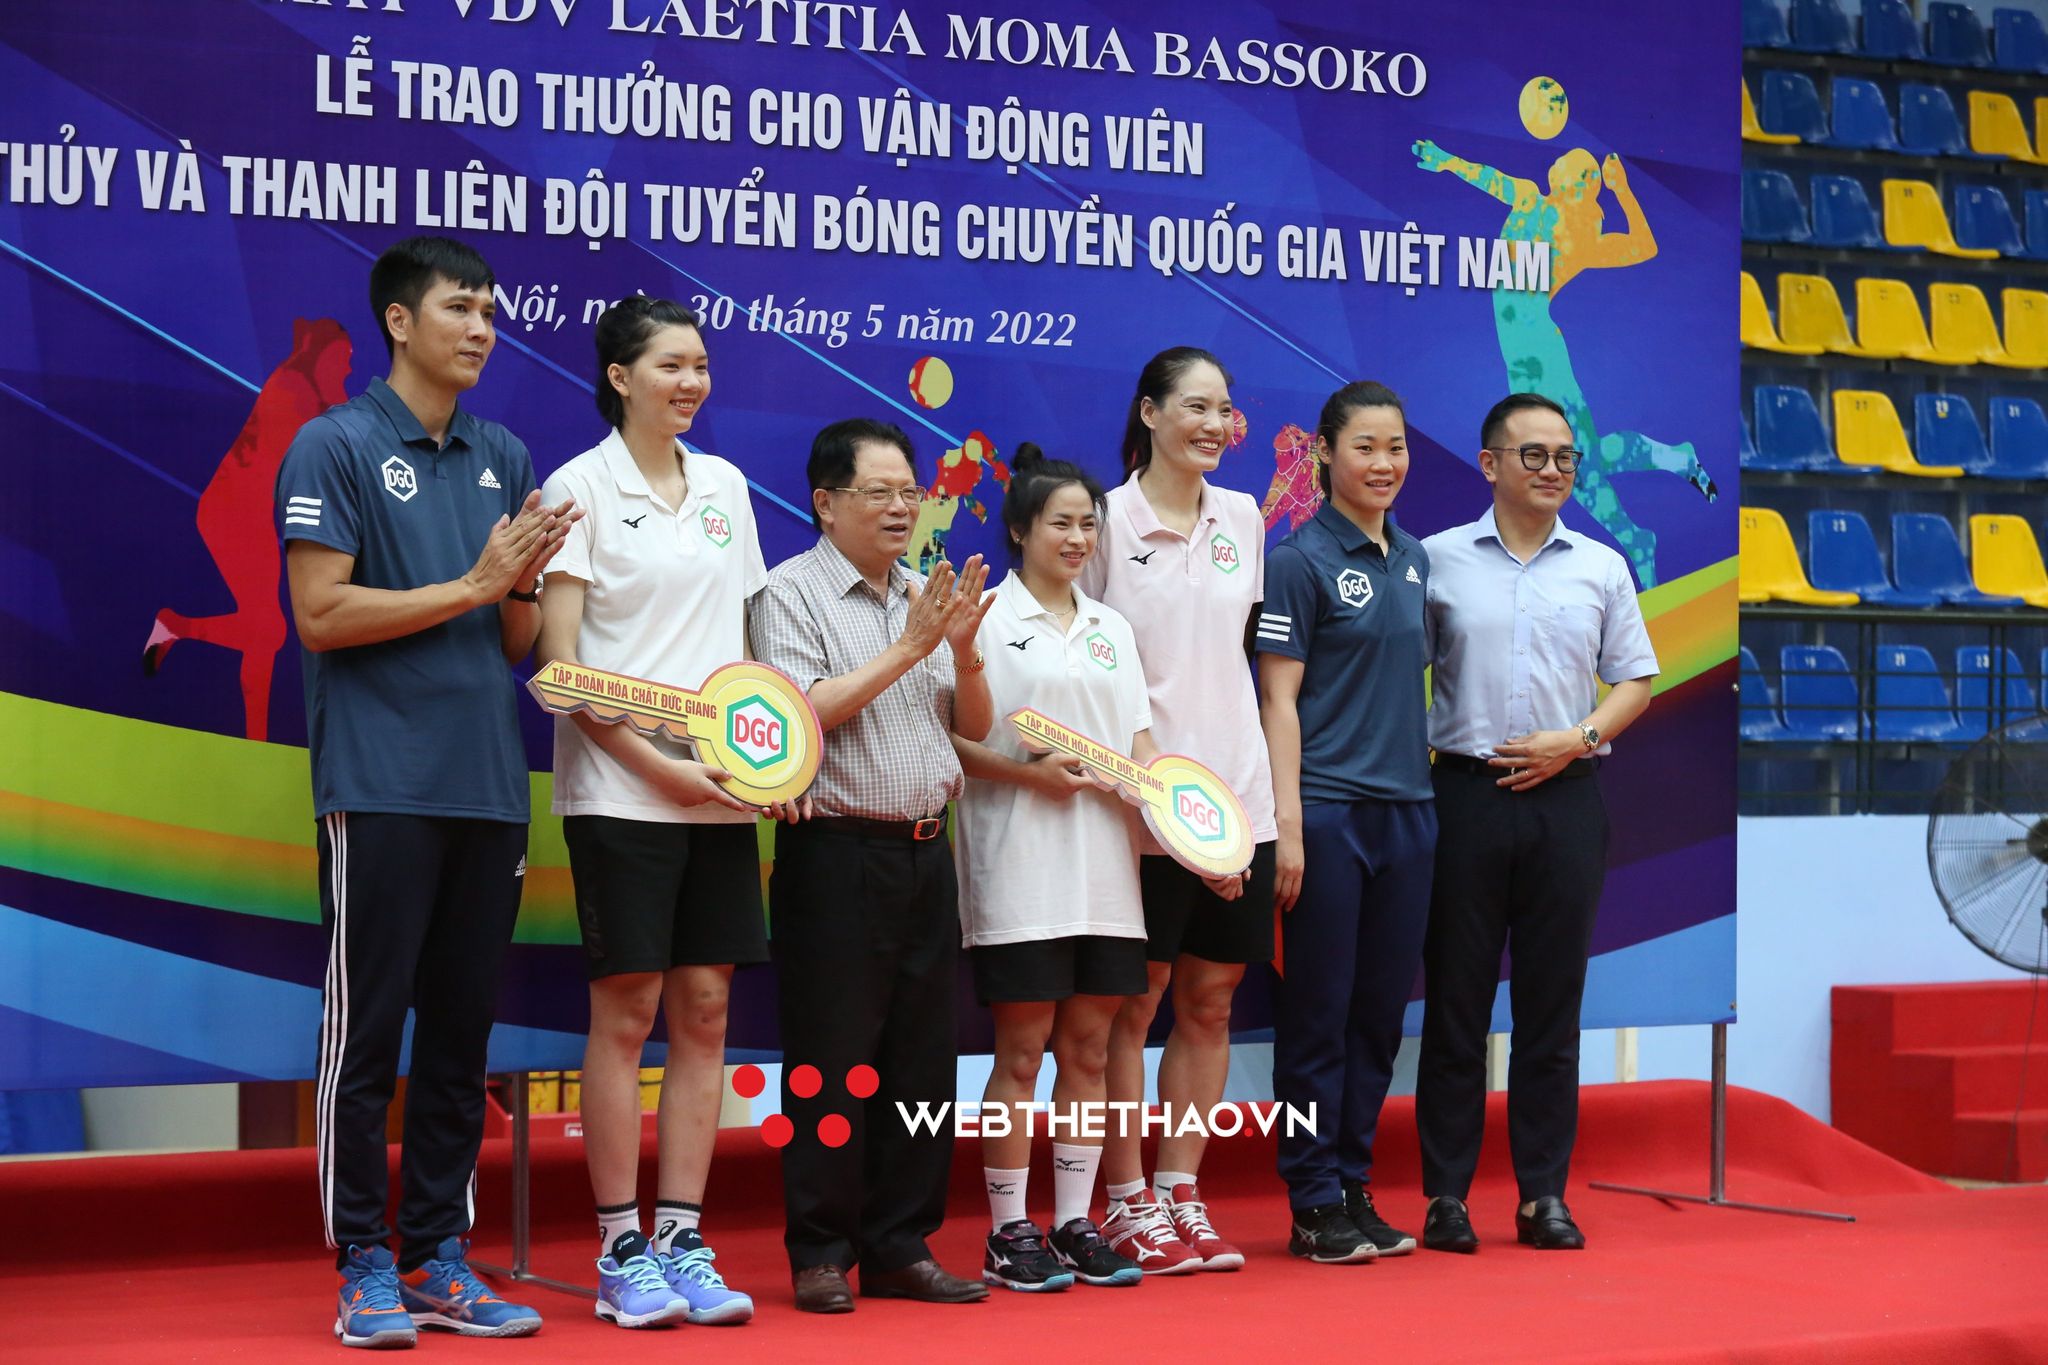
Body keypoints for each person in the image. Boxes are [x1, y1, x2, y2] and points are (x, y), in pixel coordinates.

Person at [277, 235, 580, 1347]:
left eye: (491, 311)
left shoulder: (502, 450)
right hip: (380, 783)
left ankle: (438, 1257)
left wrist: (529, 581)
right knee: (367, 1035)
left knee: (460, 1036)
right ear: (399, 323)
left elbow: (511, 640)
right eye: (460, 307)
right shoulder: (334, 446)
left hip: (488, 788)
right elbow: (320, 615)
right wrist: (472, 581)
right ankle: (362, 1262)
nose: (483, 327)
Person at [536, 297, 786, 1328]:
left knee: (705, 1013)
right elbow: (559, 665)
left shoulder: (725, 487)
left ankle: (681, 1234)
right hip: (619, 791)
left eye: (700, 367)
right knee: (627, 1011)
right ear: (619, 377)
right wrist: (658, 766)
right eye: (671, 366)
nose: (691, 383)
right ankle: (616, 1248)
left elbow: (751, 648)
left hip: (719, 793)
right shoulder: (577, 488)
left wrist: (757, 762)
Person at [747, 418, 996, 1313]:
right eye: (880, 493)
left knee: (921, 1061)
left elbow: (969, 725)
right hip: (838, 853)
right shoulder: (791, 594)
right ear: (826, 502)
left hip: (930, 852)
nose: (903, 507)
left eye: (911, 492)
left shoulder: (918, 595)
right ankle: (820, 1248)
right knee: (830, 1057)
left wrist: (962, 652)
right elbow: (797, 720)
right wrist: (911, 648)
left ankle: (900, 1242)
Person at [1415, 392, 1657, 1255]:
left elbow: (1635, 678)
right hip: (1466, 796)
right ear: (1490, 464)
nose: (1553, 470)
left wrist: (1578, 738)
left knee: (1552, 1008)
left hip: (1566, 798)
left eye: (1565, 457)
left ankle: (1542, 1196)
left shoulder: (1600, 565)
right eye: (1534, 455)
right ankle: (1446, 1196)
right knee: (1455, 1006)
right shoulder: (1435, 560)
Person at [1082, 347, 1277, 1275]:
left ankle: (1179, 1190)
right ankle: (1122, 1201)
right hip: (1142, 804)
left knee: (1210, 999)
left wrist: (1255, 803)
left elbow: (1236, 659)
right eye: (1195, 407)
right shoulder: (1105, 522)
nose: (1213, 425)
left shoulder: (1243, 517)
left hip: (1238, 802)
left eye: (1224, 410)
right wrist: (1148, 779)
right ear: (1150, 412)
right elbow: (1078, 658)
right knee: (1134, 1004)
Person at [951, 444, 1152, 1293]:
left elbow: (1142, 750)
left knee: (1092, 1048)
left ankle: (1074, 1219)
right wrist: (1030, 774)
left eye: (1088, 523)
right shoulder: (984, 617)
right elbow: (954, 739)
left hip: (1106, 871)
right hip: (1018, 866)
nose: (1078, 537)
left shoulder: (1112, 628)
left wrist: (1187, 821)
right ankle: (1007, 1230)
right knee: (1022, 1051)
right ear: (1020, 528)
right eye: (1061, 523)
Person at [1254, 381, 1436, 1264]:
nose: (1384, 464)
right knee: (1317, 1015)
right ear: (1325, 452)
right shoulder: (1297, 560)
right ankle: (1311, 1195)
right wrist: (1288, 824)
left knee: (1377, 1017)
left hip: (1411, 816)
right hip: (1327, 815)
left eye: (1395, 447)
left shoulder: (1414, 558)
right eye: (1365, 446)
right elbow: (1277, 701)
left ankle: (1355, 1182)